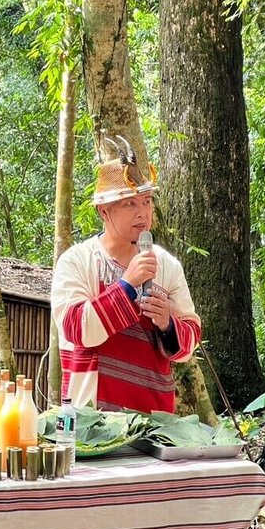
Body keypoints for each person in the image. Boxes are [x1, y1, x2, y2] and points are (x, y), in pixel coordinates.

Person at [51, 155, 201, 413]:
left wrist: (167, 323)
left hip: (155, 419)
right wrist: (127, 285)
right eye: (130, 203)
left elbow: (189, 341)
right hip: (92, 417)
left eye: (147, 201)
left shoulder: (167, 265)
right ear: (103, 211)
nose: (143, 213)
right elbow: (76, 329)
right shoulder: (77, 261)